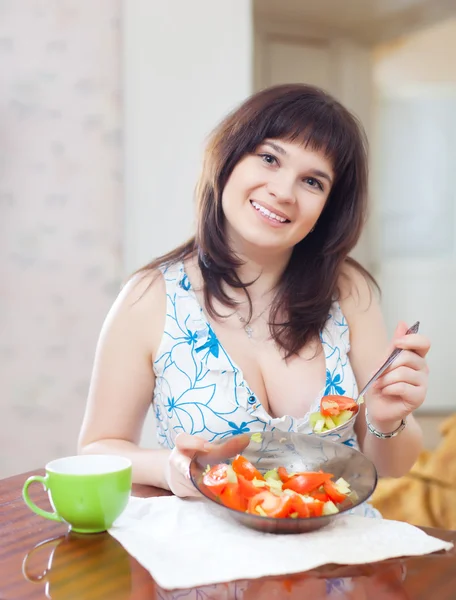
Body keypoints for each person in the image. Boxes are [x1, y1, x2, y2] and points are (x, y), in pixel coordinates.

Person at [78, 84, 430, 513]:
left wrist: (386, 419)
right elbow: (96, 448)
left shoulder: (348, 290)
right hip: (205, 558)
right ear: (228, 158)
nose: (283, 191)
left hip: (336, 559)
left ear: (328, 208)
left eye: (312, 181)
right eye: (268, 158)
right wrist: (167, 468)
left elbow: (392, 466)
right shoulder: (151, 297)